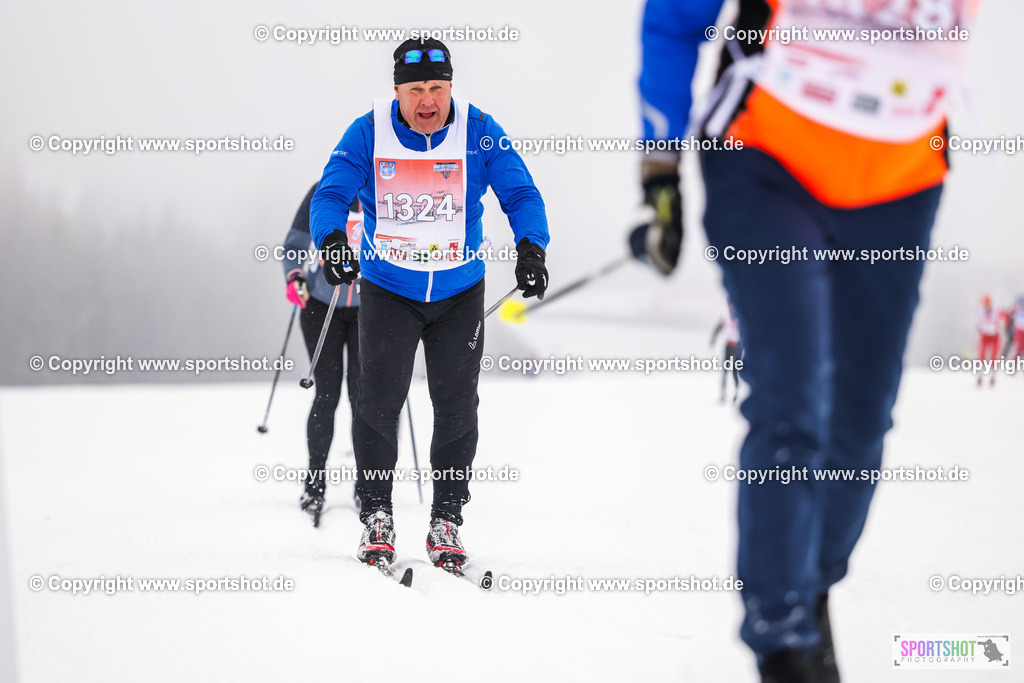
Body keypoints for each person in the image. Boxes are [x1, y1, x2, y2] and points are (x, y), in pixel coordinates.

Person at [633, 1, 978, 681]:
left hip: (901, 177)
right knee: (793, 397)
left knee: (860, 420)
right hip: (764, 156)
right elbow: (675, 17)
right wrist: (660, 170)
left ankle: (807, 585)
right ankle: (781, 636)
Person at [309, 38, 550, 569]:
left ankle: (447, 518)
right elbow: (330, 195)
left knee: (457, 403)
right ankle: (377, 514)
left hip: (459, 294)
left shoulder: (479, 131)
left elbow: (521, 194)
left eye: (437, 88)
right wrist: (332, 241)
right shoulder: (368, 130)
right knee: (378, 400)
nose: (427, 101)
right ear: (396, 90)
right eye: (415, 89)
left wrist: (532, 245)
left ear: (450, 87)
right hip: (388, 289)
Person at [282, 185, 363, 520]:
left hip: (369, 309)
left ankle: (369, 484)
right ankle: (314, 484)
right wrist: (295, 277)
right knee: (326, 394)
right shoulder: (323, 191)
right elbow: (294, 244)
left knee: (367, 398)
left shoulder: (383, 189)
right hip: (319, 307)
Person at [710, 303, 743, 404]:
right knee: (725, 370)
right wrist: (713, 339)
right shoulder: (725, 317)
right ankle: (723, 394)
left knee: (734, 371)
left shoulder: (740, 317)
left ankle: (736, 393)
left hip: (738, 346)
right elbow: (718, 328)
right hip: (728, 345)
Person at [975, 295, 1001, 388]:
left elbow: (998, 322)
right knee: (981, 355)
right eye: (985, 304)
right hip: (985, 336)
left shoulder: (995, 310)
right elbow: (978, 323)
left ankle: (993, 376)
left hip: (994, 336)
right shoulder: (979, 310)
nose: (986, 305)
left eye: (988, 303)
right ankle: (979, 376)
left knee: (993, 356)